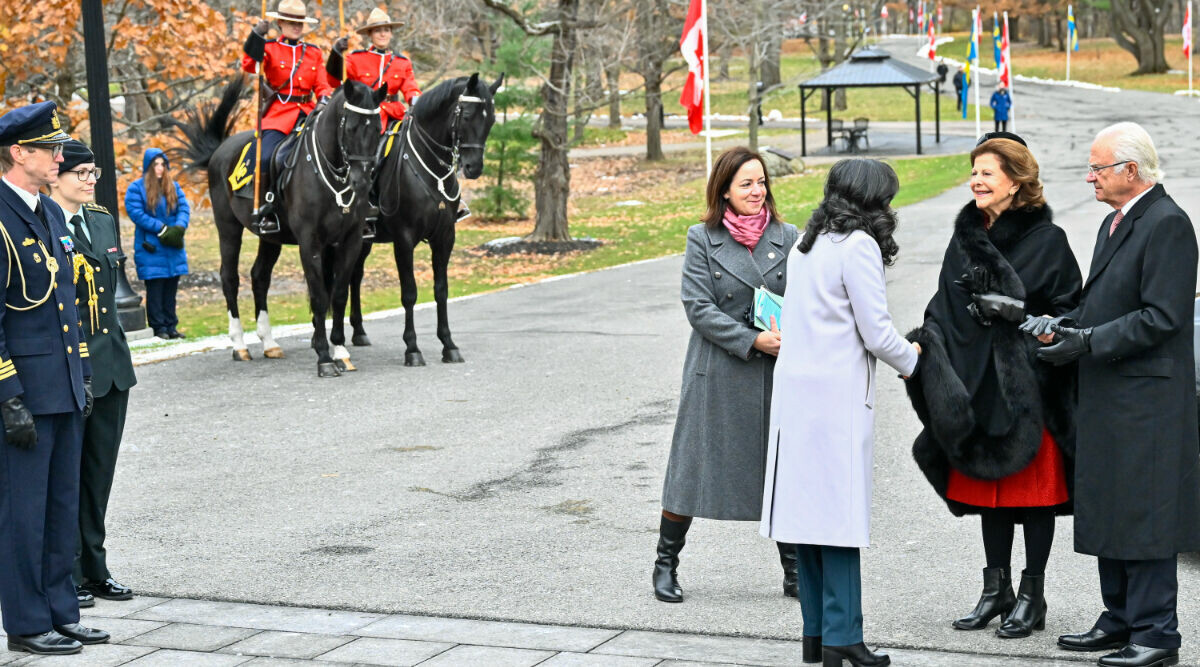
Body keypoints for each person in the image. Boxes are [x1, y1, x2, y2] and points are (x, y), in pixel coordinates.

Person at [1022, 122, 1200, 667]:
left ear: (1131, 170)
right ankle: (1119, 617)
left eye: (1098, 168)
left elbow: (1163, 317)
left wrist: (1087, 341)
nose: (1090, 177)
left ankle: (1156, 635)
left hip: (1147, 401)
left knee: (1145, 513)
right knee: (1112, 507)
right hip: (1109, 393)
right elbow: (1103, 305)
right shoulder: (1114, 221)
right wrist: (1063, 325)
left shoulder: (1167, 223)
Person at [904, 133, 1082, 640]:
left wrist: (1020, 314)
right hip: (977, 381)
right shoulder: (965, 238)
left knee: (1035, 495)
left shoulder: (1049, 240)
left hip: (1028, 389)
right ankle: (995, 590)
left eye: (987, 173)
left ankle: (1032, 595)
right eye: (974, 172)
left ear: (1016, 182)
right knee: (992, 491)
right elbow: (940, 306)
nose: (976, 181)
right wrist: (924, 349)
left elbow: (1071, 309)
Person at [760, 159, 920, 667]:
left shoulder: (806, 243)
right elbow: (877, 332)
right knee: (838, 521)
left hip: (796, 392)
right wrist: (915, 360)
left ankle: (816, 635)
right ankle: (844, 636)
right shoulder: (859, 245)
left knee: (807, 519)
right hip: (834, 398)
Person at [655, 147, 800, 606]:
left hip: (775, 371)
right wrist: (752, 340)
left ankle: (795, 570)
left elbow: (806, 298)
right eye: (746, 184)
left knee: (781, 468)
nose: (757, 191)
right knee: (691, 469)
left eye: (761, 182)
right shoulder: (702, 237)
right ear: (724, 191)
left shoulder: (788, 237)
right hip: (718, 370)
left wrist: (790, 334)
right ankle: (665, 563)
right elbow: (698, 306)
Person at [0, 101, 108, 655]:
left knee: (61, 506)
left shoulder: (46, 211)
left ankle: (61, 612)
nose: (60, 158)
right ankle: (25, 622)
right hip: (24, 393)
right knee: (24, 514)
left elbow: (67, 304)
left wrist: (82, 373)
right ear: (20, 153)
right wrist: (8, 395)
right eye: (51, 149)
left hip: (61, 384)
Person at [48, 140, 138, 609]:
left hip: (112, 368)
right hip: (70, 369)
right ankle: (68, 572)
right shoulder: (43, 224)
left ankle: (96, 568)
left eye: (93, 172)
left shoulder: (101, 220)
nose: (89, 181)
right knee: (67, 476)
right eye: (79, 173)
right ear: (55, 176)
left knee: (99, 474)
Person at [325, 6, 421, 236]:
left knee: (419, 149)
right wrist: (336, 54)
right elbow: (335, 81)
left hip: (395, 115)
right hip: (366, 119)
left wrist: (416, 101)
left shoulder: (401, 62)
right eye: (378, 30)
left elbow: (410, 87)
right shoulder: (356, 59)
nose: (383, 34)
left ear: (391, 33)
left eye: (386, 30)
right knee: (372, 158)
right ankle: (365, 204)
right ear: (370, 34)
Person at [241, 0, 333, 231]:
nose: (296, 27)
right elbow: (249, 66)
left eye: (300, 23)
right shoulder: (270, 48)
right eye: (291, 22)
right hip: (279, 114)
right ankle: (268, 206)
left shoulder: (313, 52)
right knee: (267, 156)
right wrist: (256, 36)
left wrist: (324, 99)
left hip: (309, 112)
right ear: (280, 22)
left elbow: (322, 84)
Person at [125, 148, 189, 340]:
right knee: (155, 288)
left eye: (163, 164)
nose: (160, 168)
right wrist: (161, 228)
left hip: (173, 246)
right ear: (148, 166)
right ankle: (159, 327)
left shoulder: (174, 187)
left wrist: (178, 227)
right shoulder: (137, 188)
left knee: (171, 288)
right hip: (151, 247)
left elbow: (184, 208)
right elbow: (136, 212)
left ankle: (171, 326)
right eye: (156, 164)